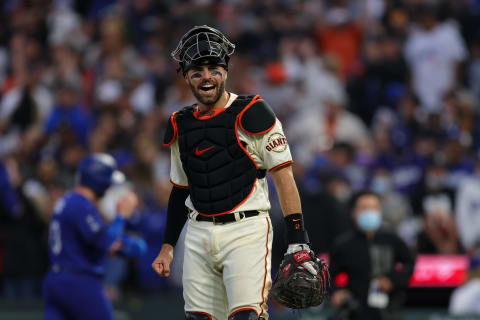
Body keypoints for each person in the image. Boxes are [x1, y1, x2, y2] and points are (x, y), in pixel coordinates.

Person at [152, 25, 314, 320]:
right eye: (197, 70)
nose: (206, 77)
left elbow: (284, 178)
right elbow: (180, 189)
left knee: (246, 317)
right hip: (198, 231)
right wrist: (167, 245)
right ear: (186, 76)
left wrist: (298, 238)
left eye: (214, 68)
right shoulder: (180, 123)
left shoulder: (253, 111)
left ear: (225, 71)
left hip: (246, 230)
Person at [43, 153, 147, 320]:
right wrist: (121, 216)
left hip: (55, 279)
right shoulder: (80, 204)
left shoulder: (67, 200)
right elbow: (105, 243)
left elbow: (89, 243)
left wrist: (124, 246)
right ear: (99, 180)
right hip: (79, 281)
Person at [329, 190, 414, 320]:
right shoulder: (344, 244)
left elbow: (409, 262)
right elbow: (329, 275)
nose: (370, 212)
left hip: (389, 310)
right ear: (354, 212)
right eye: (364, 208)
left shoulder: (392, 239)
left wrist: (392, 281)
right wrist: (337, 292)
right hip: (356, 310)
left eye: (374, 208)